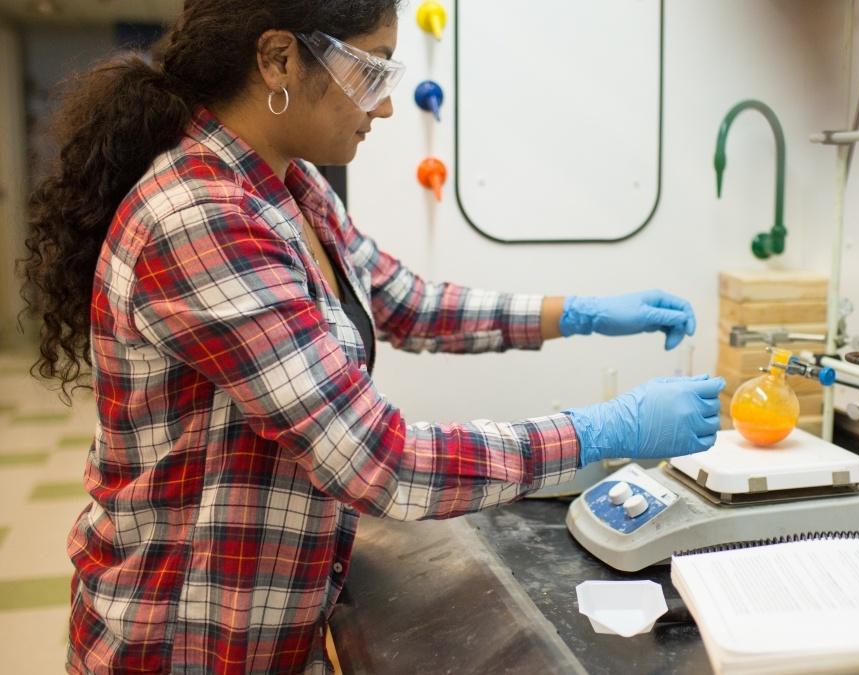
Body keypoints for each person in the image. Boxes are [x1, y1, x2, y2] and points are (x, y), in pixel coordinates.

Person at [19, 1, 724, 672]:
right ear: (278, 60)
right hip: (183, 638)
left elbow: (405, 302)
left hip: (263, 620)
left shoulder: (289, 187)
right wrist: (602, 431)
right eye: (372, 69)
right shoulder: (203, 217)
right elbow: (378, 461)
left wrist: (578, 311)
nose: (384, 104)